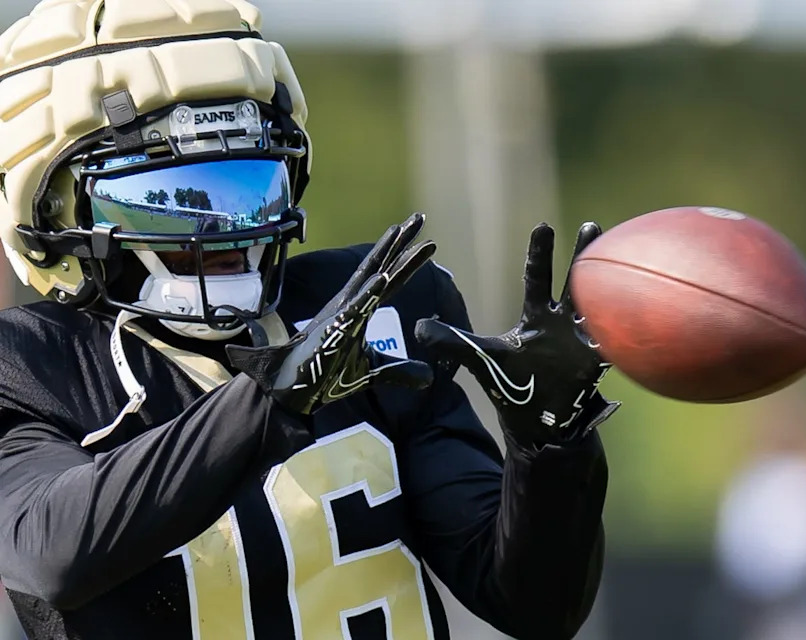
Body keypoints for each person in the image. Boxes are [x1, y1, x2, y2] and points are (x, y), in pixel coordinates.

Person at [0, 1, 619, 639]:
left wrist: (549, 448)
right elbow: (52, 555)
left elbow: (536, 606)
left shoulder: (369, 314)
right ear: (53, 212)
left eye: (251, 188)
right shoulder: (29, 367)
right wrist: (267, 402)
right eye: (172, 202)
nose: (228, 234)